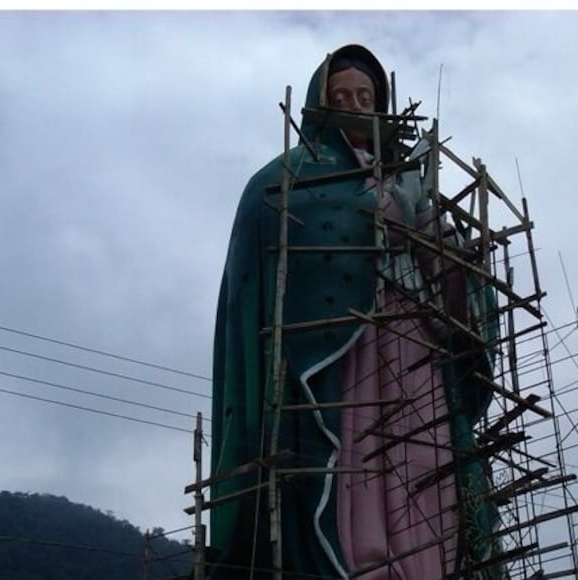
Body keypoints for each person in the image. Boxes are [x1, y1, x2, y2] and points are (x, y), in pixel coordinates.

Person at [210, 44, 501, 580]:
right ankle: (362, 560)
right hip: (344, 345)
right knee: (357, 452)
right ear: (319, 104)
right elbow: (271, 245)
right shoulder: (288, 180)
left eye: (365, 96)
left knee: (425, 451)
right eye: (340, 95)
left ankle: (429, 564)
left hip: (414, 331)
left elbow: (462, 284)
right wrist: (368, 219)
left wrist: (433, 234)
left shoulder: (415, 180)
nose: (353, 105)